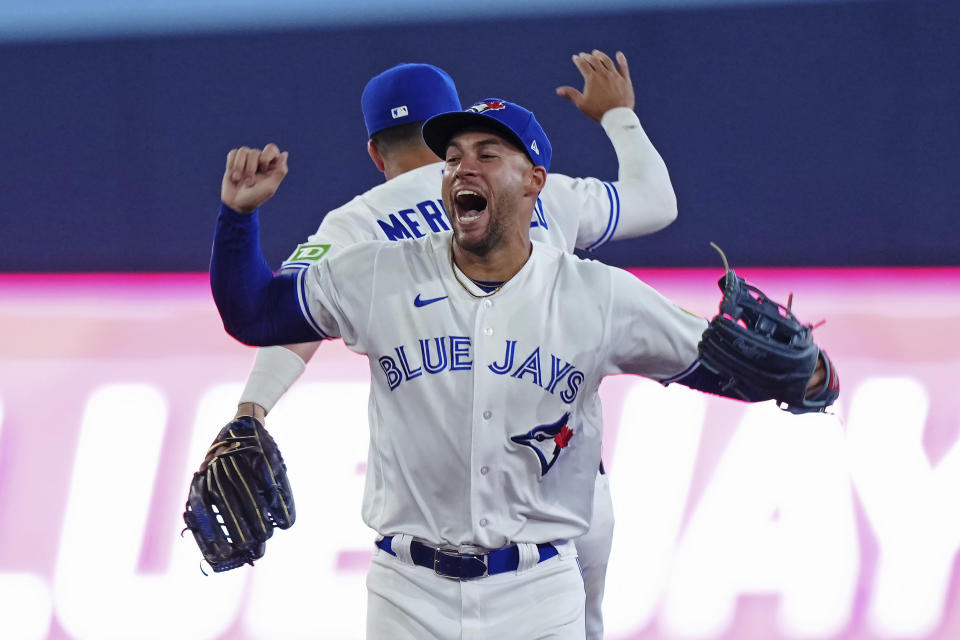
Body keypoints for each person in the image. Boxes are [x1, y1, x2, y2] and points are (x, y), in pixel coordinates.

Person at [209, 99, 833, 638]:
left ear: (534, 181)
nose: (462, 169)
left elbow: (720, 363)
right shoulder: (378, 274)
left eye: (487, 154)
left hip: (538, 592)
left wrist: (807, 378)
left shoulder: (597, 295)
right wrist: (239, 220)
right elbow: (253, 316)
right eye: (453, 157)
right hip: (406, 592)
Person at [232, 50, 676, 640]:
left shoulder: (354, 223)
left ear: (373, 151)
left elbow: (288, 320)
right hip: (568, 499)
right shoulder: (538, 189)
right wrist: (619, 114)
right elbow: (656, 202)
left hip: (437, 540)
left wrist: (251, 409)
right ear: (459, 125)